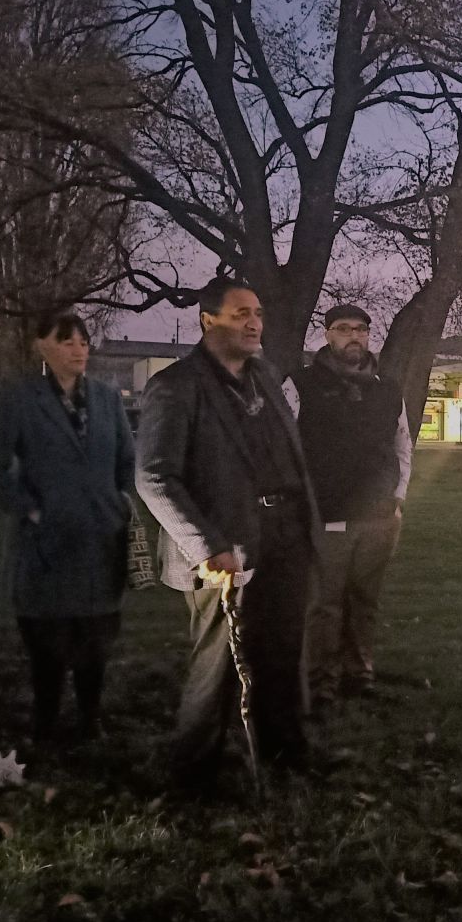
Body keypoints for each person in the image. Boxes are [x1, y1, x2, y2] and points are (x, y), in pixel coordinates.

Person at [135, 277, 321, 792]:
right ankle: (193, 772)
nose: (254, 322)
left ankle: (284, 753)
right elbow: (154, 476)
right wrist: (206, 547)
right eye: (240, 313)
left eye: (257, 313)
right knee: (219, 663)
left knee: (283, 650)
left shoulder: (266, 378)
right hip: (223, 545)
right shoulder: (176, 386)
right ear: (206, 320)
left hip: (285, 531)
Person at [0, 311, 135, 745]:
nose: (78, 349)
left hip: (100, 542)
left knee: (96, 641)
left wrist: (120, 502)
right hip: (46, 547)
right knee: (48, 641)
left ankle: (89, 719)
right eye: (65, 341)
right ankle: (45, 723)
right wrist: (30, 511)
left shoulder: (106, 399)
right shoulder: (18, 398)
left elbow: (127, 460)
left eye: (83, 341)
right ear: (42, 346)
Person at [284, 303, 413, 711]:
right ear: (326, 335)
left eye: (360, 330)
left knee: (365, 599)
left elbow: (402, 444)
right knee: (324, 602)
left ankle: (360, 673)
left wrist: (399, 496)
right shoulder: (301, 384)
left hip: (379, 514)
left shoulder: (387, 389)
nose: (353, 336)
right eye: (343, 329)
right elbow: (283, 446)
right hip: (327, 512)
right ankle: (320, 680)